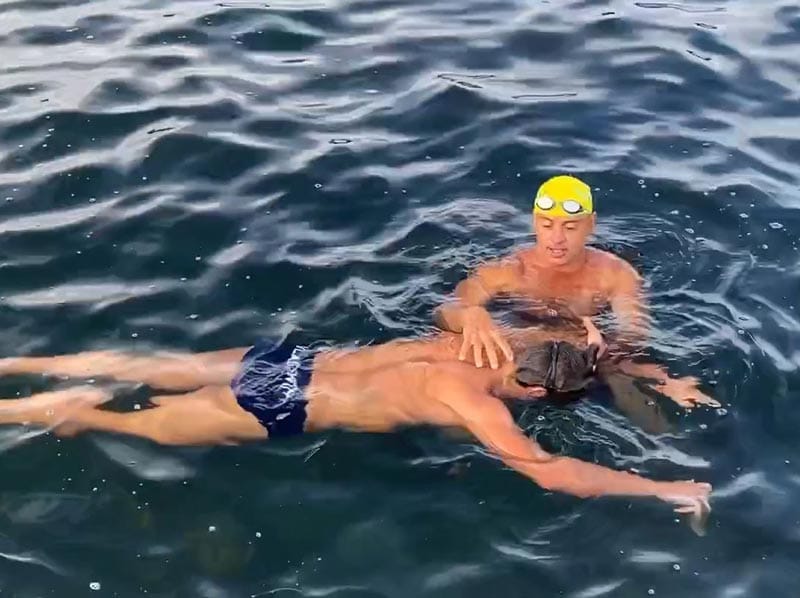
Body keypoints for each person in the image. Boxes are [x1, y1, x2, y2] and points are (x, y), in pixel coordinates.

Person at [0, 321, 711, 515]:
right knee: (120, 421)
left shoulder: (483, 339)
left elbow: (576, 347)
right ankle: (50, 411)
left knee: (145, 368)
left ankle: (20, 365)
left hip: (289, 362)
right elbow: (552, 475)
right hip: (288, 405)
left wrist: (613, 357)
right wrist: (662, 488)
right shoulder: (475, 404)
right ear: (530, 392)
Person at [435, 174, 649, 369]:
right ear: (535, 222)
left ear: (590, 224)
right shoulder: (508, 270)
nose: (557, 238)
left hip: (585, 362)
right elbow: (445, 310)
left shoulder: (616, 274)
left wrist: (606, 347)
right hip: (518, 351)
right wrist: (468, 315)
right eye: (547, 226)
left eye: (570, 228)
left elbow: (634, 333)